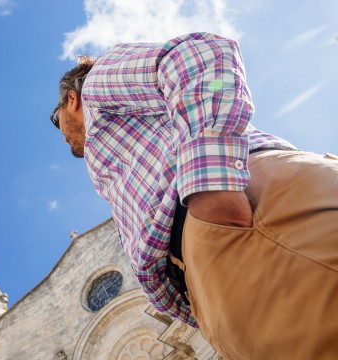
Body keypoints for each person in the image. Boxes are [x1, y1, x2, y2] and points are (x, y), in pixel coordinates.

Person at [49, 32, 338, 359]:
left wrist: (211, 191)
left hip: (242, 220)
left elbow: (199, 56)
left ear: (71, 100)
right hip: (217, 278)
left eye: (58, 122)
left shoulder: (96, 88)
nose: (63, 140)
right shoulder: (110, 148)